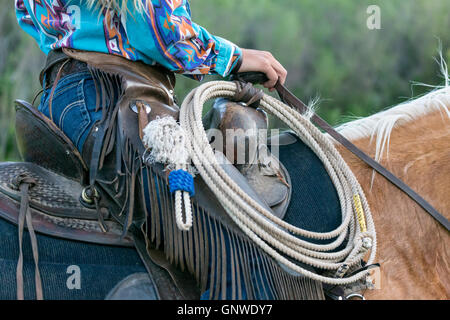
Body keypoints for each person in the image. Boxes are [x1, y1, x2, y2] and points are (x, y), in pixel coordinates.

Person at [14, 0, 288, 299]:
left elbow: (29, 16)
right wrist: (233, 58)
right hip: (112, 95)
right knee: (245, 245)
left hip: (62, 97)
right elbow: (155, 30)